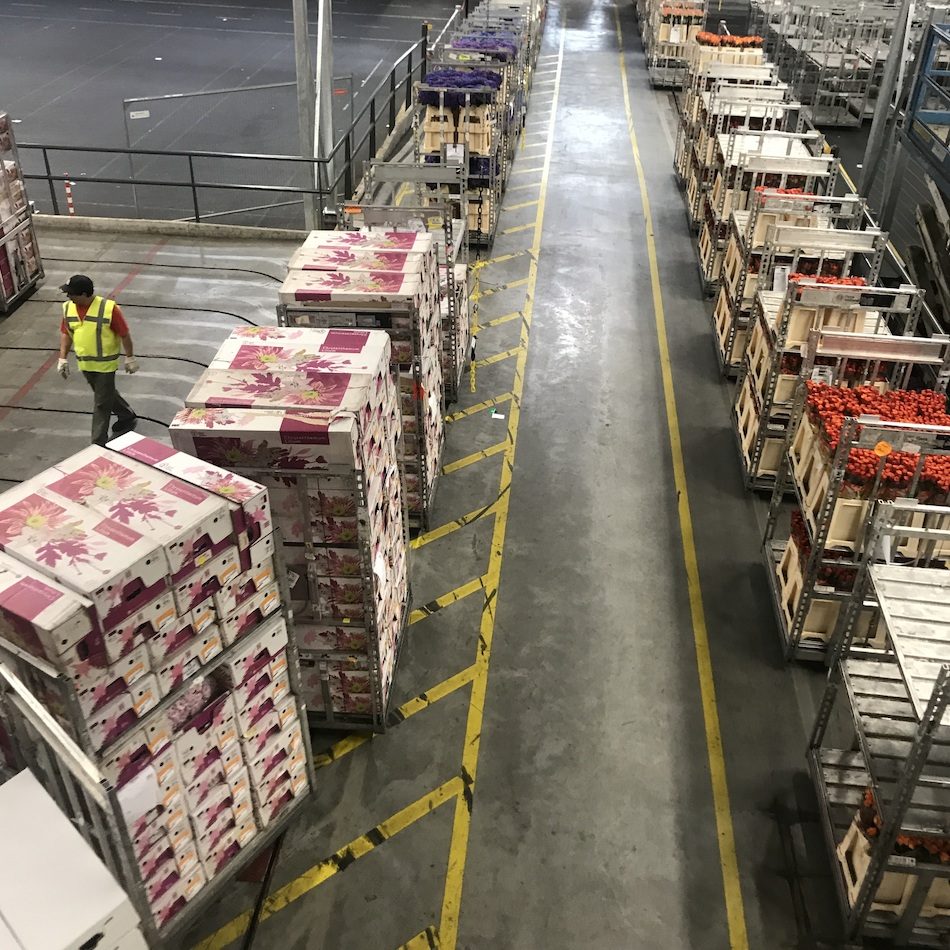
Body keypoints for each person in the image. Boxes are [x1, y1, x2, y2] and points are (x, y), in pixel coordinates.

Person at [57, 274, 139, 446]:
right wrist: (62, 358)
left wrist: (129, 356)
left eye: (71, 294)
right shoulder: (68, 308)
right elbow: (66, 333)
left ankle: (98, 444)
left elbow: (124, 334)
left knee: (101, 404)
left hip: (105, 366)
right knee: (105, 395)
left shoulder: (108, 309)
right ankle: (126, 415)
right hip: (85, 364)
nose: (68, 297)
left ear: (85, 294)